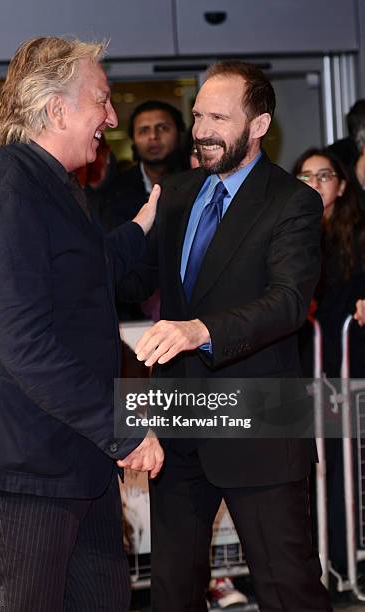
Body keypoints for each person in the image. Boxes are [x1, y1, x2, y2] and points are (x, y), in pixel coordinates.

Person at [0, 36, 164, 612]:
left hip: (75, 460)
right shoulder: (6, 191)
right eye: (103, 100)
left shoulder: (54, 188)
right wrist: (123, 431)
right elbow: (25, 343)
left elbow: (84, 271)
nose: (112, 118)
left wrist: (141, 229)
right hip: (26, 469)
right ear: (56, 109)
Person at [118, 60, 332, 611]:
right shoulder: (178, 193)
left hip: (257, 420)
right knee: (171, 589)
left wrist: (199, 330)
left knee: (288, 588)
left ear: (258, 125)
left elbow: (287, 302)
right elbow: (137, 278)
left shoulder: (293, 201)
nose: (203, 129)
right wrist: (109, 243)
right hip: (181, 418)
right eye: (197, 115)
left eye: (219, 117)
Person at [294, 147, 365, 578]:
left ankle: (342, 562)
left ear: (340, 185)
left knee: (342, 470)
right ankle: (310, 568)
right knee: (302, 472)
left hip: (343, 367)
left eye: (325, 176)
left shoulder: (359, 235)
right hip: (297, 368)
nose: (316, 184)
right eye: (306, 176)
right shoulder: (284, 230)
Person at [103, 99, 186, 229]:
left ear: (179, 134)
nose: (153, 136)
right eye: (143, 130)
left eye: (163, 128)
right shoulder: (115, 190)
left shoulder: (196, 182)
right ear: (133, 139)